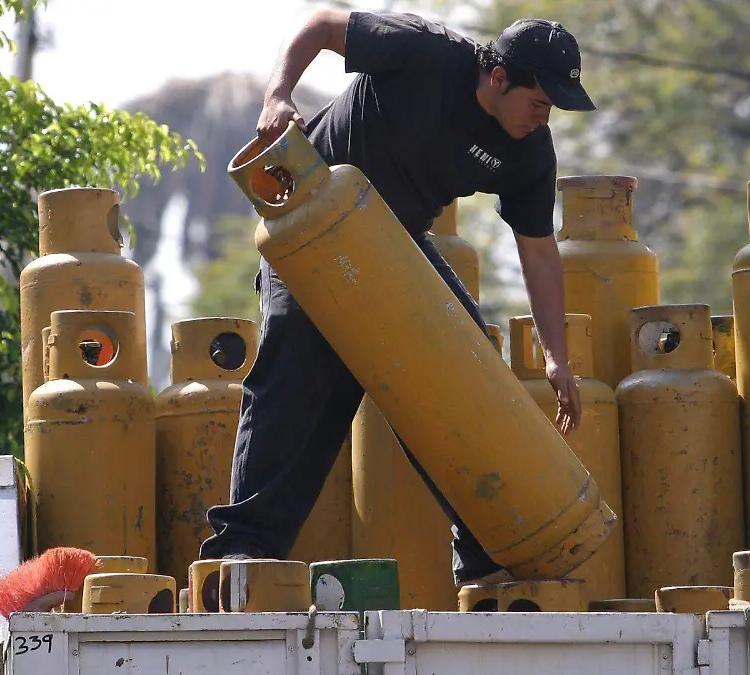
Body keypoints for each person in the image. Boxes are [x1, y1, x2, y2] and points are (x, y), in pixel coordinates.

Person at [201, 8, 596, 588]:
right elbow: (322, 25)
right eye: (539, 101)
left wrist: (558, 357)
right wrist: (277, 97)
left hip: (397, 242)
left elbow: (538, 253)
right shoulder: (425, 52)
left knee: (466, 370)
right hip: (311, 226)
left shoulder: (530, 151)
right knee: (297, 377)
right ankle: (243, 548)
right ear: (498, 77)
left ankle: (485, 556)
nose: (545, 117)